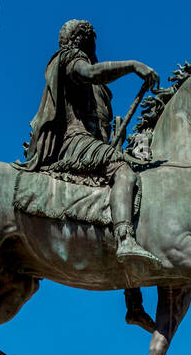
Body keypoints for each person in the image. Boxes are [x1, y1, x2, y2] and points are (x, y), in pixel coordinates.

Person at [20, 19, 163, 288]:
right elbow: (89, 73)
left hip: (92, 144)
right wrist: (132, 66)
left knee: (137, 191)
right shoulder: (70, 60)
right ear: (82, 40)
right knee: (123, 171)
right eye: (92, 41)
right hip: (75, 142)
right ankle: (125, 238)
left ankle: (133, 298)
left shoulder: (97, 86)